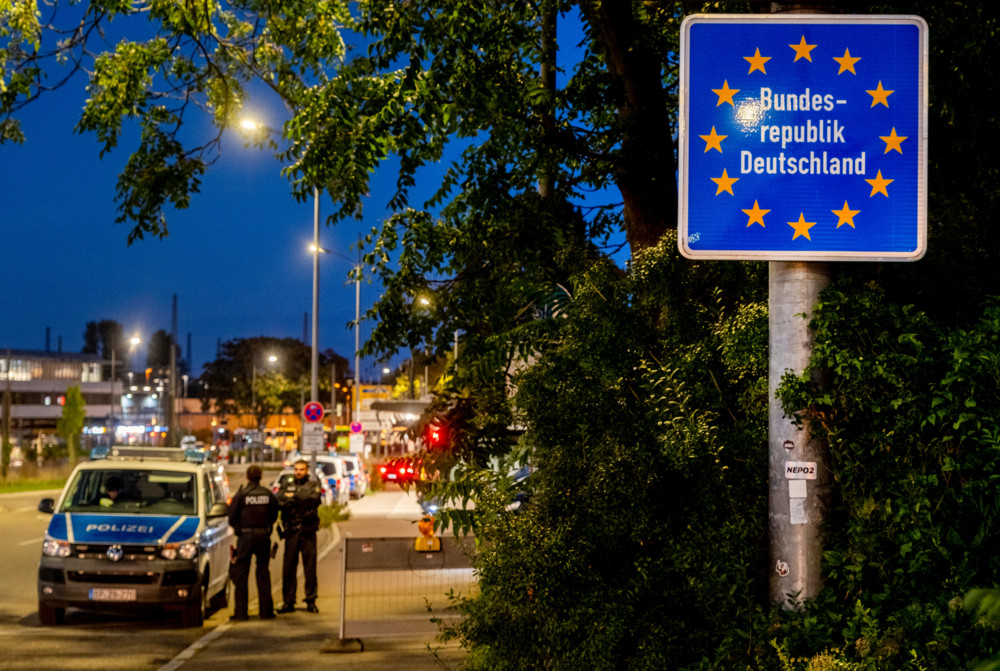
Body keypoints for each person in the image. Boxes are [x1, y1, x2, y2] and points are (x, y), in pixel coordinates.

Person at [228, 464, 279, 621]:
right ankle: (266, 612)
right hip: (263, 537)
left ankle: (241, 613)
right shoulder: (267, 494)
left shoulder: (241, 495)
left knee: (241, 575)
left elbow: (231, 516)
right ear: (261, 477)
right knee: (263, 572)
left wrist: (239, 528)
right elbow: (274, 514)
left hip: (245, 537)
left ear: (247, 477)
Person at [276, 459, 321, 613]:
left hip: (308, 531)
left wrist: (293, 496)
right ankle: (288, 601)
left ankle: (311, 600)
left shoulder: (313, 484)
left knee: (310, 567)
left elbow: (315, 499)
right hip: (291, 531)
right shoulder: (286, 483)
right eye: (296, 469)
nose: (298, 472)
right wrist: (300, 497)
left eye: (301, 469)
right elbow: (279, 500)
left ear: (307, 470)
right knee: (288, 567)